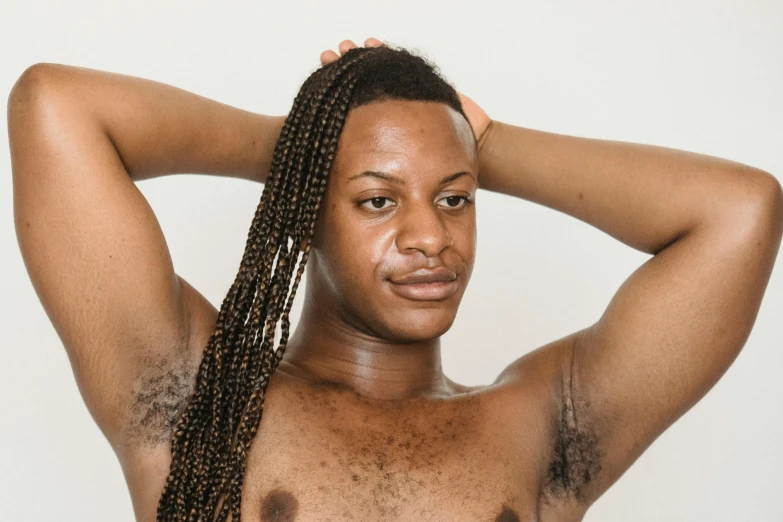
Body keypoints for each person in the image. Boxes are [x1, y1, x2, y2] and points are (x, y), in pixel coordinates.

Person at [7, 37, 782, 522]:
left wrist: (487, 142)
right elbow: (56, 105)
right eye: (377, 199)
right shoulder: (198, 395)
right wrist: (312, 146)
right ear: (306, 211)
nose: (429, 237)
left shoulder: (541, 420)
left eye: (454, 197)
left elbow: (739, 211)